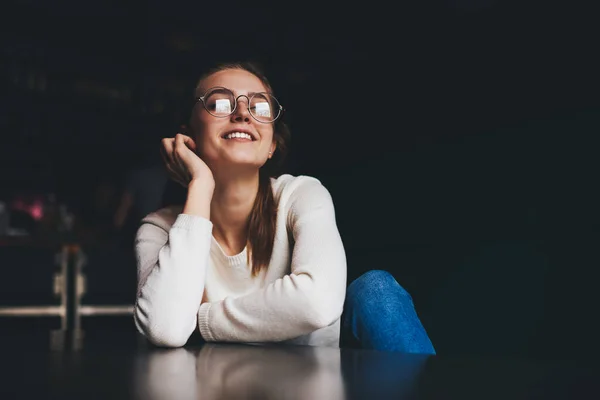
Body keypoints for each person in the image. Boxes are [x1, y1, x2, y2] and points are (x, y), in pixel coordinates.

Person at [133, 61, 435, 354]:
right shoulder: (158, 228)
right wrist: (200, 184)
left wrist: (202, 320)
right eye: (220, 104)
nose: (242, 114)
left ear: (272, 145)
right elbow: (165, 329)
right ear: (189, 138)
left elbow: (317, 304)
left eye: (259, 107)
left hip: (308, 389)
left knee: (375, 289)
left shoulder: (301, 194)